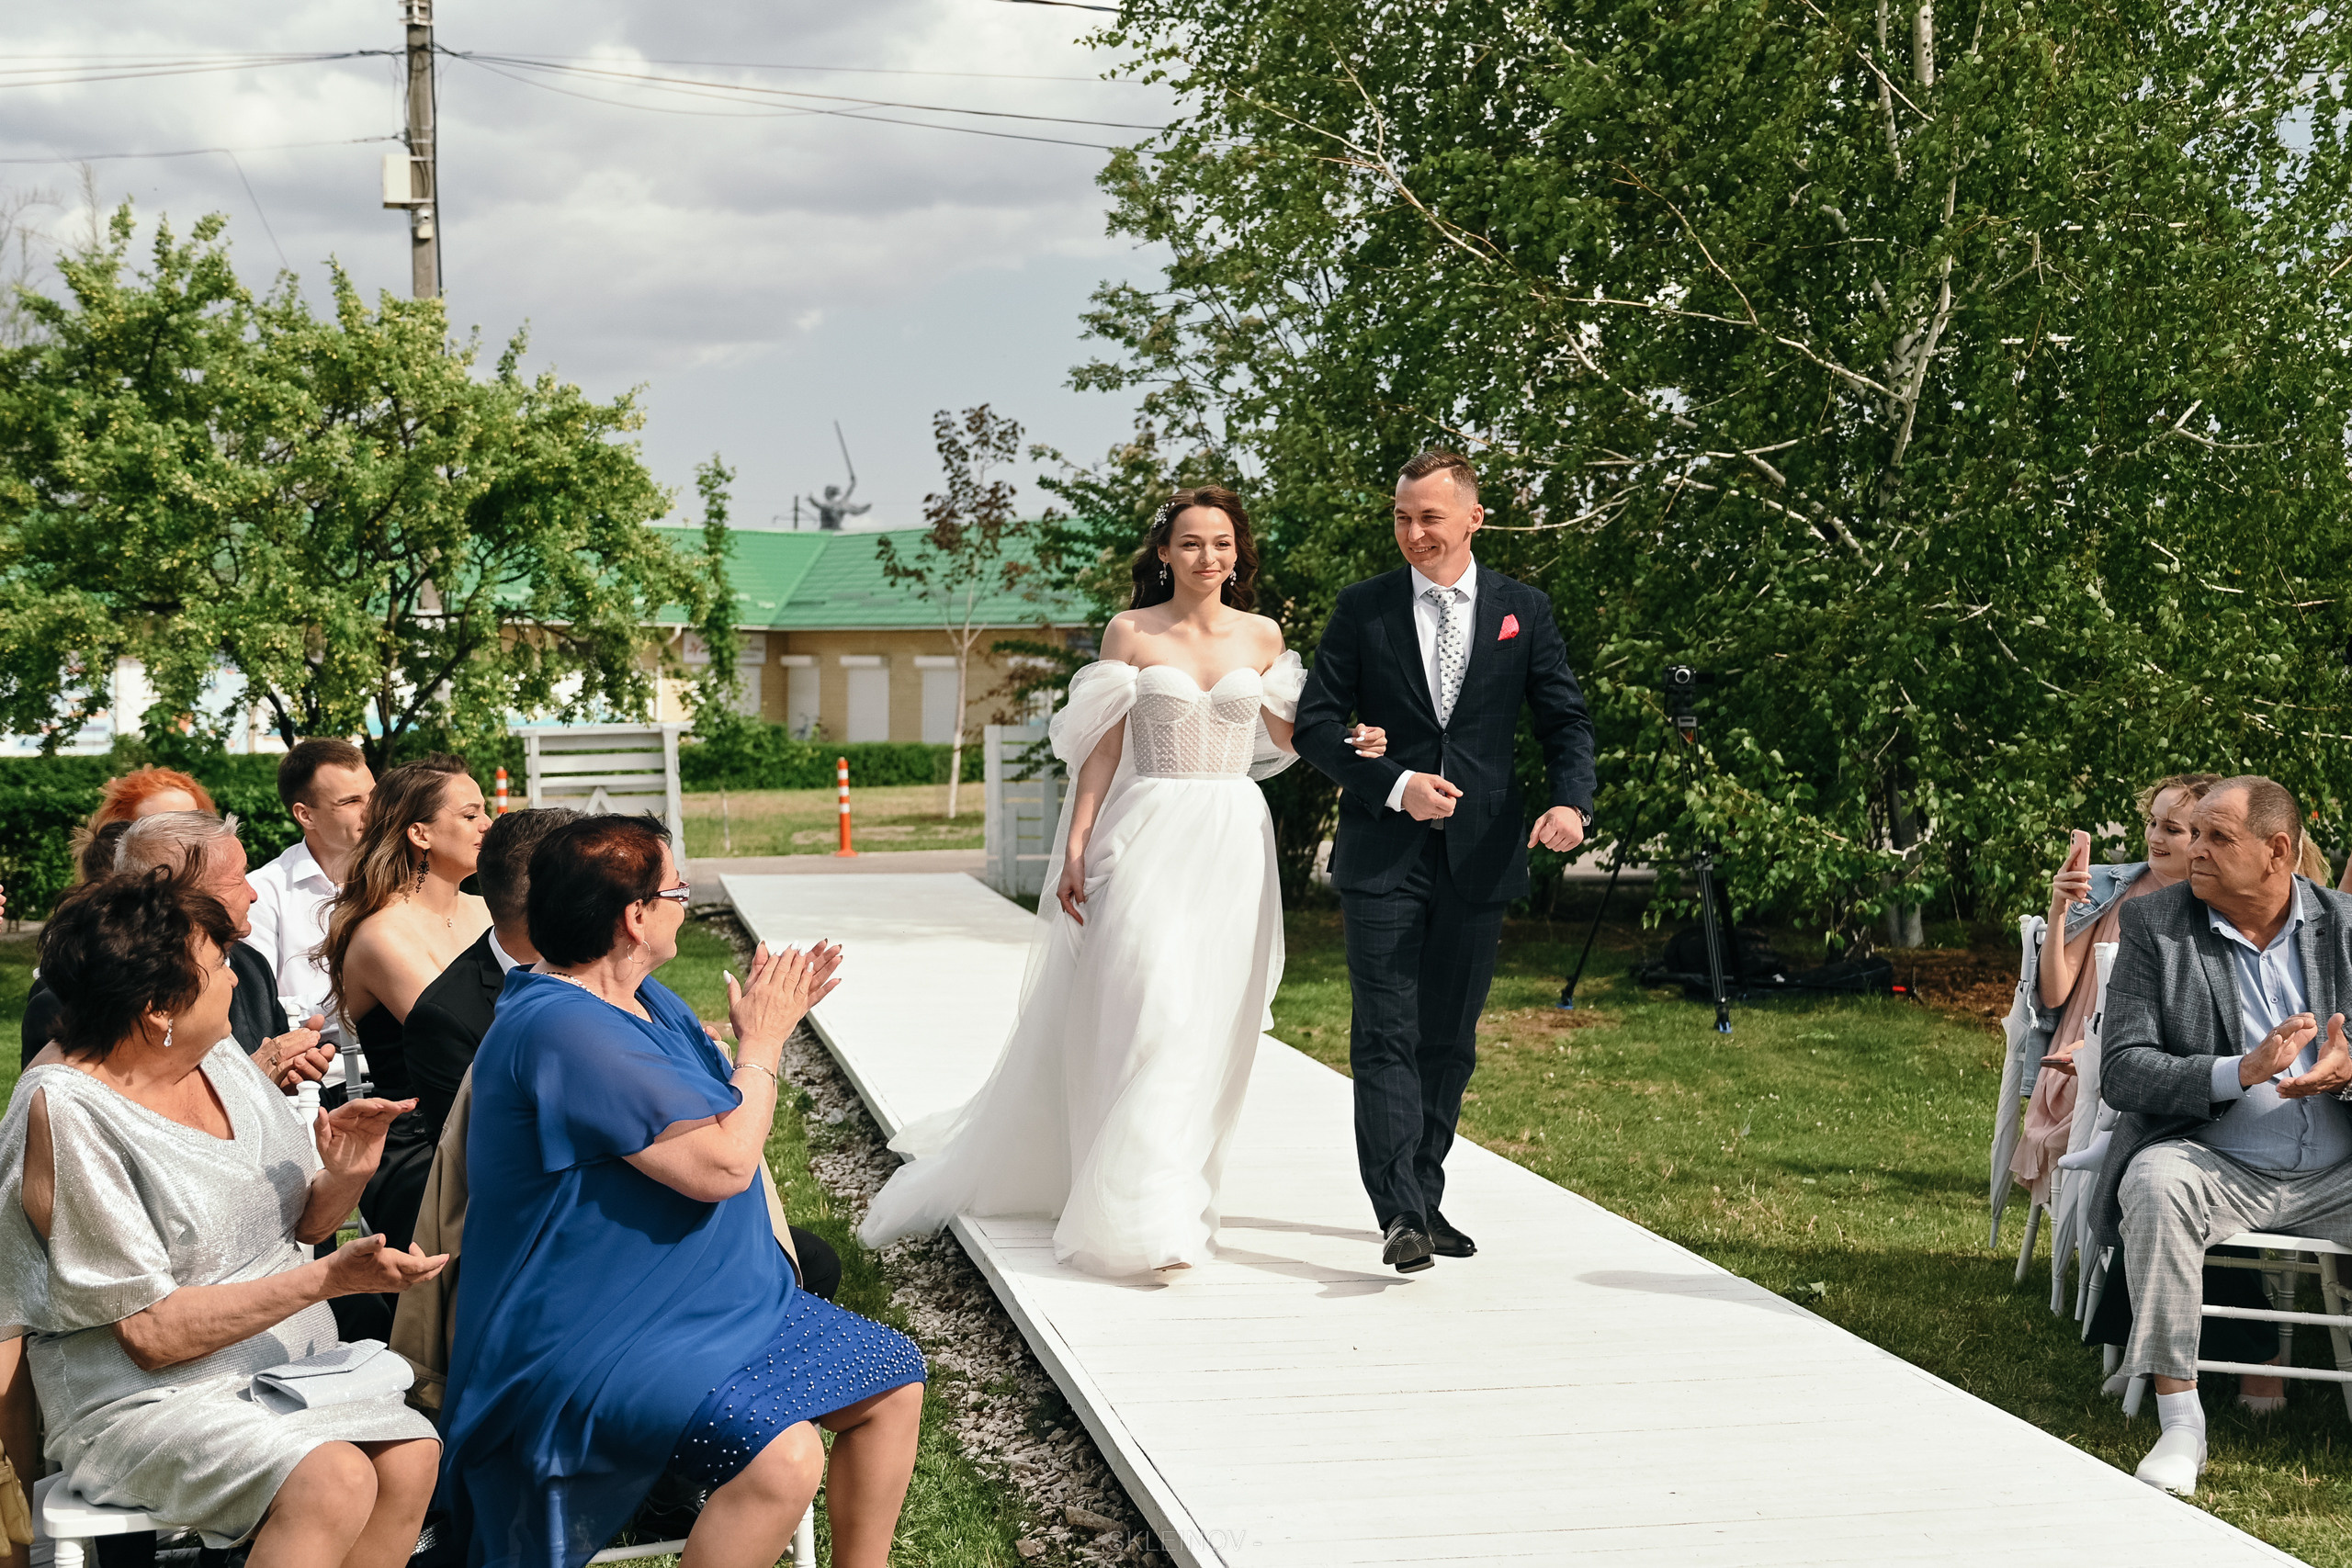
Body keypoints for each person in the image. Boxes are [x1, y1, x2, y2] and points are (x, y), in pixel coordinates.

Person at [858, 488, 1385, 1278]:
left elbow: (1289, 735)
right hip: (1145, 833)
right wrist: (1075, 845)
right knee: (1150, 1005)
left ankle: (1169, 1195)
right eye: (1191, 542)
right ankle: (1137, 1210)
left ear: (1238, 553)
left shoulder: (1263, 635)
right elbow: (1101, 749)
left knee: (1207, 1019)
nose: (1208, 556)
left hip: (1232, 841)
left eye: (1222, 543)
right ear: (1164, 552)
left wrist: (1353, 741)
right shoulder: (1130, 631)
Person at [438, 815, 922, 1568]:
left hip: (712, 1304)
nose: (685, 902)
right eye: (677, 890)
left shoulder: (637, 997)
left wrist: (750, 1035)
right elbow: (723, 1164)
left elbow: (718, 1109)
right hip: (594, 1333)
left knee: (892, 1379)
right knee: (785, 1457)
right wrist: (763, 1042)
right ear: (635, 916)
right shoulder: (561, 1026)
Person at [0, 870, 447, 1562]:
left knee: (412, 1453)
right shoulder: (68, 1111)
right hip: (140, 1399)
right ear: (158, 1008)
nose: (236, 978)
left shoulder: (218, 1058)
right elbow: (150, 1334)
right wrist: (327, 1280)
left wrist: (348, 1172)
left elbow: (302, 1226)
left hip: (287, 1373)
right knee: (333, 1478)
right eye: (218, 966)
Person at [1291, 450, 1597, 1272]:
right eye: (1402, 516)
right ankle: (1399, 1212)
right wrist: (1394, 783)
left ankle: (1424, 1195)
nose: (1414, 532)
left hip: (1482, 856)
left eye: (1429, 516)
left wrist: (1572, 804)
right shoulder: (1363, 608)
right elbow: (1315, 725)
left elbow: (1565, 721)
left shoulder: (1523, 610)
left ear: (1473, 518)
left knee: (1450, 1040)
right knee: (1384, 1032)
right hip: (1382, 854)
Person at [2093, 775, 2352, 1495]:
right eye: (2194, 833)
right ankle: (2181, 1424)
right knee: (2155, 1180)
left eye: (2216, 836)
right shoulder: (2156, 924)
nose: (2194, 849)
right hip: (2217, 1165)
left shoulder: (2345, 925)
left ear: (2277, 852)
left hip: (2338, 1174)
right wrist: (2237, 1071)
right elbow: (2123, 1068)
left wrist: (2349, 1067)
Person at [2009, 774, 2218, 1201]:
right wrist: (2059, 907)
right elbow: (2054, 994)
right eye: (2152, 822)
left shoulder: (2216, 910)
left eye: (2172, 829)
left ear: (2202, 839)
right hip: (2080, 1066)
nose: (2154, 837)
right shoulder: (2107, 888)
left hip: (2163, 1066)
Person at [20, 814, 334, 1091]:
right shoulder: (71, 998)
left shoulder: (251, 968)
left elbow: (279, 1091)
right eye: (238, 879)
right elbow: (97, 1116)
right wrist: (254, 1081)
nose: (253, 895)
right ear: (186, 896)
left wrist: (295, 1079)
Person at [322, 754, 492, 1109]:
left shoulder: (486, 910)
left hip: (496, 1106)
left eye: (484, 812)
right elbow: (463, 1041)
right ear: (419, 834)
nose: (487, 825)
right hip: (430, 1129)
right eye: (470, 815)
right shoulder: (383, 936)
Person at [248, 738, 376, 1045]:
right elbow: (257, 1009)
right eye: (351, 802)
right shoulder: (262, 894)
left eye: (374, 796)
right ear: (305, 815)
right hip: (321, 1070)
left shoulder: (407, 878)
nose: (371, 811)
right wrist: (367, 995)